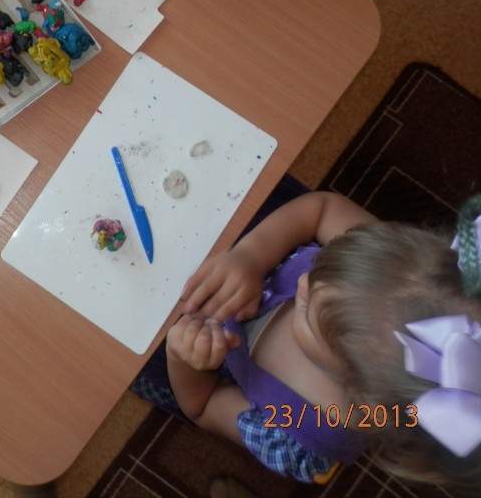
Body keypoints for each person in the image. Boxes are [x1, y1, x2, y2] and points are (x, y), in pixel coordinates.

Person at [133, 189, 481, 488]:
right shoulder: (401, 275)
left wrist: (184, 360)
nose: (303, 282)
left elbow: (202, 406)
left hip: (199, 356)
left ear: (357, 394)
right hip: (255, 246)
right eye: (325, 262)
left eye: (306, 311)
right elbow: (322, 208)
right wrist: (252, 256)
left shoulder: (301, 429)